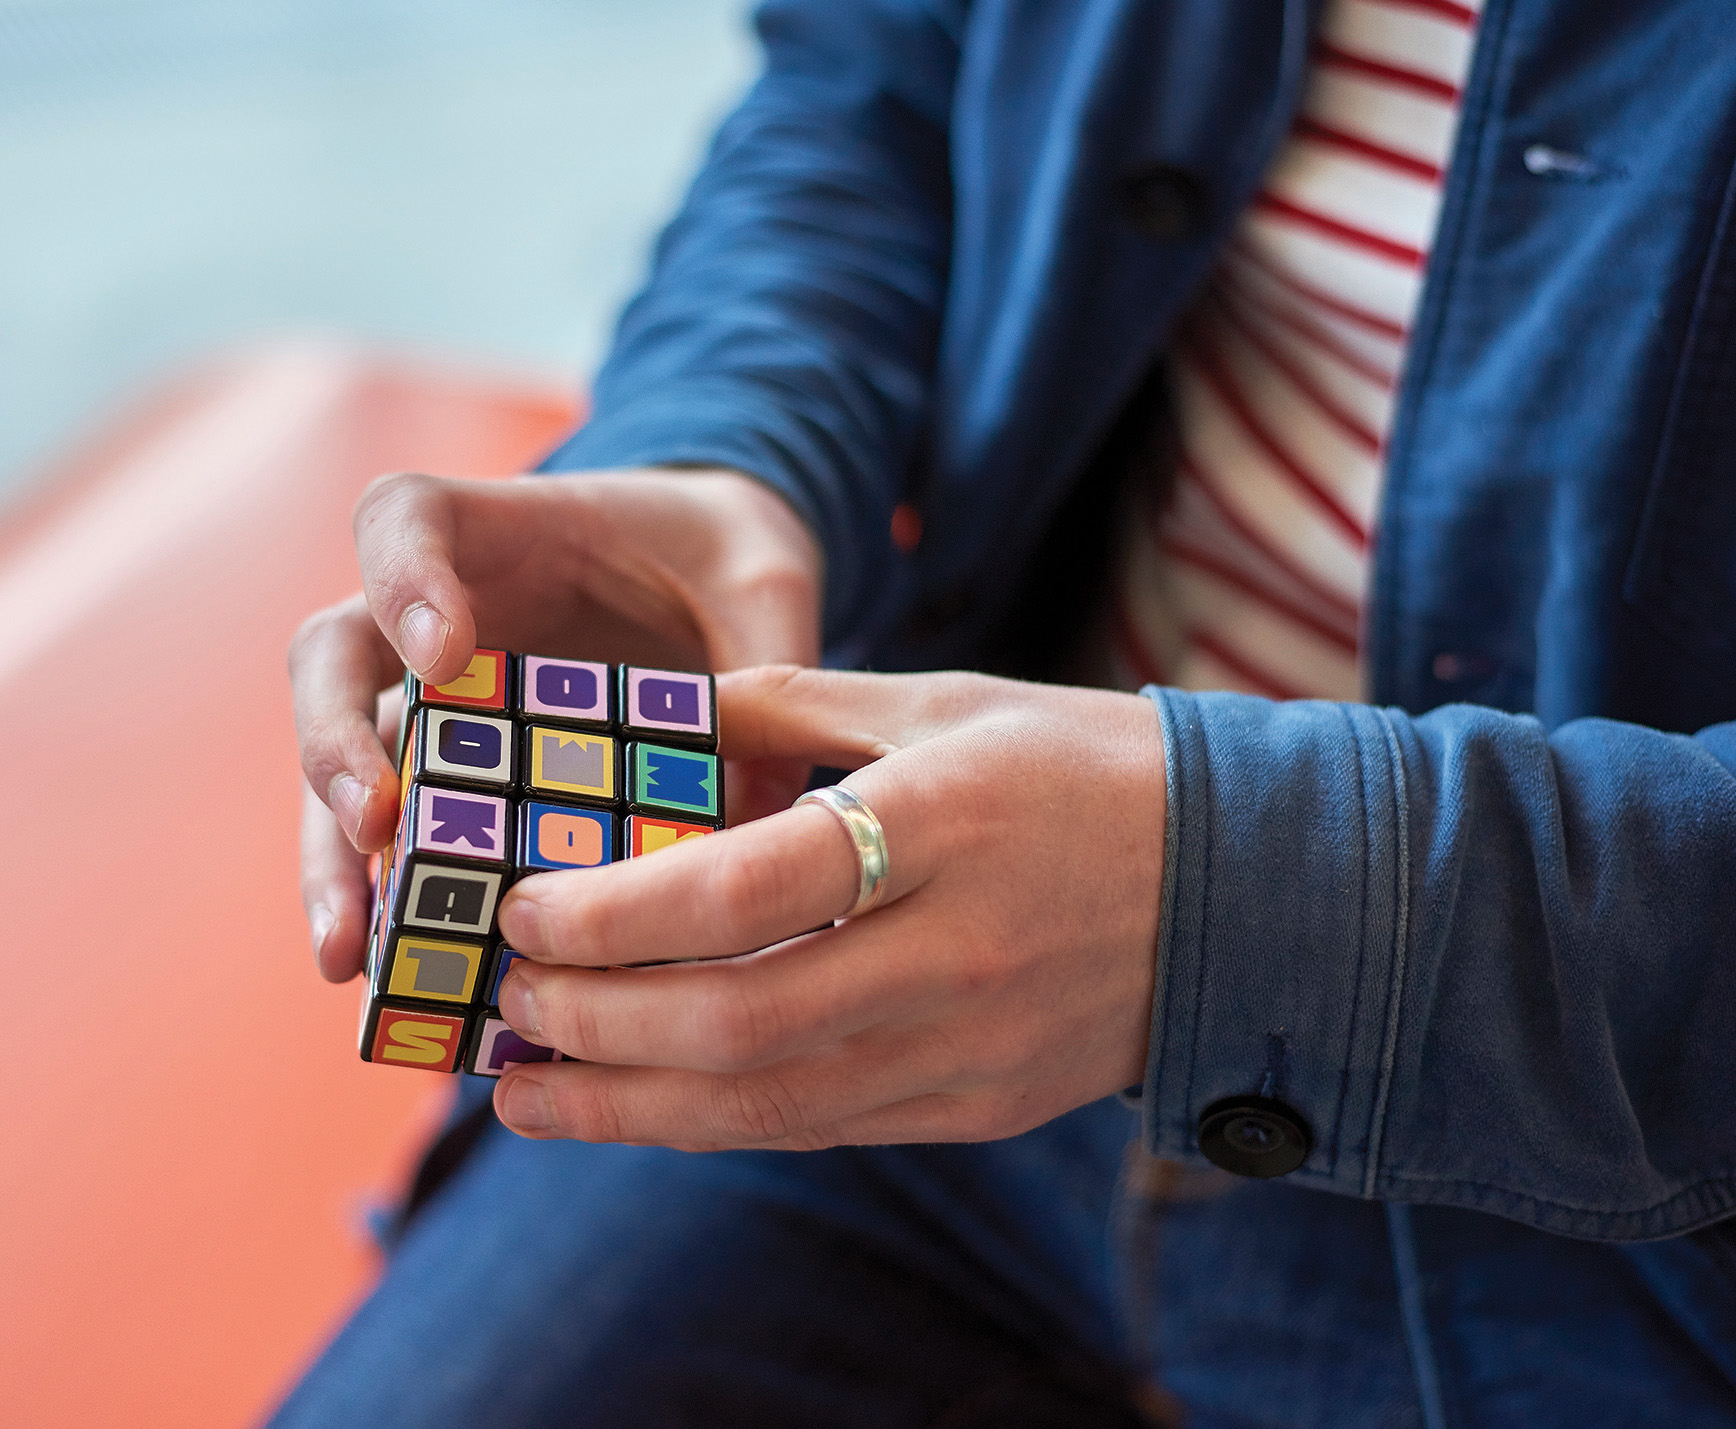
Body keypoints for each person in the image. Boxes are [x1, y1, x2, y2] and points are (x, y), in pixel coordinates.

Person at [279, 1, 1736, 1423]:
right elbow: (869, 96)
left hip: (1648, 1230)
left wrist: (1242, 907)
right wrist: (726, 453)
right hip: (917, 963)